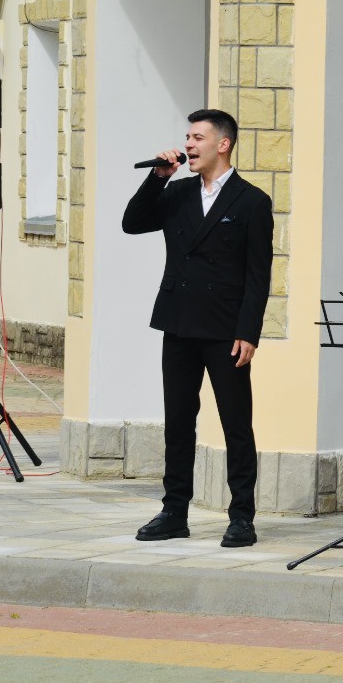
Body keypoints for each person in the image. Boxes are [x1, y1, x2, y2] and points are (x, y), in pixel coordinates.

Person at [122, 109, 273, 547]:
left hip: (226, 330)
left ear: (223, 144)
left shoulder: (251, 201)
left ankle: (241, 516)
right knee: (178, 422)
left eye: (197, 138)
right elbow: (132, 223)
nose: (188, 144)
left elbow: (258, 275)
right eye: (187, 137)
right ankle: (174, 512)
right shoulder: (178, 192)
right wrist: (157, 179)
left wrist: (249, 332)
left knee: (235, 424)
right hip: (179, 322)